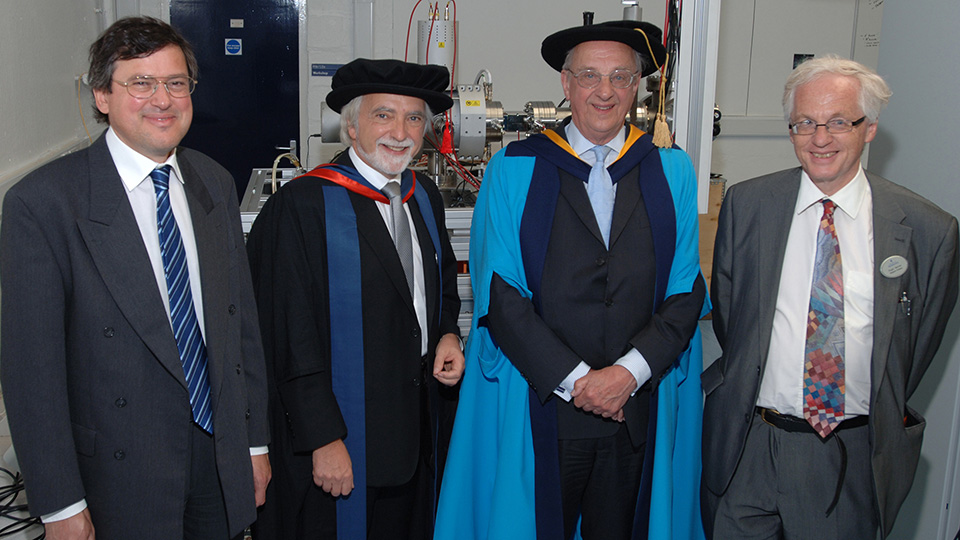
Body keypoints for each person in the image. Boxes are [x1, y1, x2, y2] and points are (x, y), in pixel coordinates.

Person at [435, 19, 709, 540]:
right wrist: (579, 381)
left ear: (636, 86)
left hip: (636, 409)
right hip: (545, 405)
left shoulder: (671, 170)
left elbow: (685, 290)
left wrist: (627, 374)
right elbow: (502, 294)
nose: (604, 91)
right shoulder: (514, 169)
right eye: (589, 76)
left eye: (619, 77)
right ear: (565, 84)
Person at [0, 16, 271, 540]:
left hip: (218, 456)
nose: (162, 100)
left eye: (175, 83)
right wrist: (59, 505)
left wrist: (253, 445)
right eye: (140, 83)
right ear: (102, 95)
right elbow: (33, 373)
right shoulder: (44, 205)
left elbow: (241, 329)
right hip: (119, 475)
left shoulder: (212, 181)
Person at [701, 55, 959, 539]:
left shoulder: (927, 231)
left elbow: (912, 350)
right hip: (747, 446)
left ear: (870, 128)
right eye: (805, 123)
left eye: (839, 121)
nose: (820, 139)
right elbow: (733, 322)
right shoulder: (748, 204)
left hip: (848, 458)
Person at [246, 58, 464, 540]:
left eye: (413, 118)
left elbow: (440, 280)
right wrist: (323, 437)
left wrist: (448, 332)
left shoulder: (422, 193)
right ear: (350, 125)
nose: (401, 132)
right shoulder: (302, 208)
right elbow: (286, 335)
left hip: (418, 435)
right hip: (342, 441)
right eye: (383, 115)